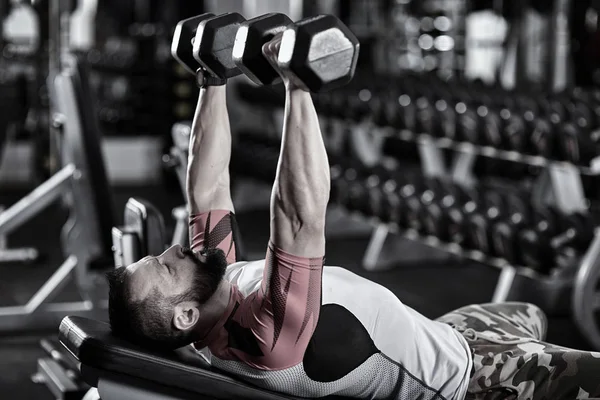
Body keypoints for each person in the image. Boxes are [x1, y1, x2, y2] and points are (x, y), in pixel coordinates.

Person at [106, 34, 600, 400]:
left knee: (532, 312)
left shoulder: (213, 293)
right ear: (185, 315)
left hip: (453, 332)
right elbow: (297, 218)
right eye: (166, 267)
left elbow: (207, 184)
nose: (174, 249)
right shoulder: (263, 336)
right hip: (479, 378)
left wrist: (211, 78)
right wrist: (298, 86)